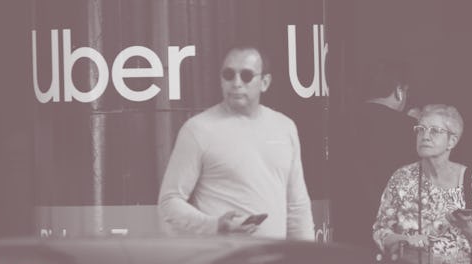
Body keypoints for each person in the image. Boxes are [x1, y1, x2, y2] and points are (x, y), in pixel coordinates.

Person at [158, 44, 314, 240]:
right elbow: (169, 203)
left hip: (272, 261)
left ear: (265, 82)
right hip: (221, 260)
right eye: (228, 74)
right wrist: (214, 225)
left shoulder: (285, 127)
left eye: (247, 76)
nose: (236, 83)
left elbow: (297, 207)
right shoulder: (198, 130)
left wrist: (308, 259)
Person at [372, 104, 472, 264]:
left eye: (435, 131)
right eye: (420, 130)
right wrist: (404, 239)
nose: (425, 136)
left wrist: (466, 226)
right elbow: (380, 232)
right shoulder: (401, 178)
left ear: (452, 141)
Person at [344, 59, 418, 250]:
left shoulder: (341, 122)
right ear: (399, 91)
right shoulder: (411, 130)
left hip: (346, 229)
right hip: (394, 234)